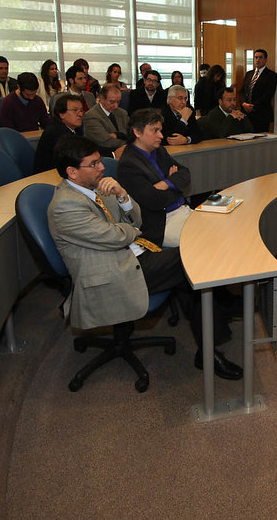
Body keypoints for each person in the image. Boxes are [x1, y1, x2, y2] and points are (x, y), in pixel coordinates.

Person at [48, 135, 241, 380]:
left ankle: (211, 339)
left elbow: (136, 219)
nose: (102, 167)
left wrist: (122, 195)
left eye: (100, 161)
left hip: (134, 253)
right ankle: (213, 338)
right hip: (111, 272)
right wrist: (129, 230)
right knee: (191, 260)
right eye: (94, 164)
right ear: (72, 172)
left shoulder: (96, 186)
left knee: (188, 269)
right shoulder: (65, 205)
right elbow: (118, 236)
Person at [118, 108, 193, 247]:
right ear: (137, 132)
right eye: (155, 130)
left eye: (160, 130)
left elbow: (185, 173)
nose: (161, 136)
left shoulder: (159, 151)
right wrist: (175, 186)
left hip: (182, 210)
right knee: (204, 237)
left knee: (217, 226)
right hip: (161, 224)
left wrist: (166, 183)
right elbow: (154, 200)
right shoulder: (128, 164)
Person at [34, 93, 84, 173]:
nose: (80, 114)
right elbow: (74, 158)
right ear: (61, 114)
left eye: (81, 110)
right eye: (75, 110)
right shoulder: (55, 132)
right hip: (50, 174)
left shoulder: (76, 129)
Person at [83, 83, 129, 159]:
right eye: (112, 102)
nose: (116, 106)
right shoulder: (91, 116)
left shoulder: (122, 113)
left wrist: (118, 135)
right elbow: (106, 141)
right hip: (104, 158)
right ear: (102, 98)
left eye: (118, 102)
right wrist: (131, 144)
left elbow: (132, 134)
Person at [240, 49, 277, 132]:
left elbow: (268, 95)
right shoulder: (249, 74)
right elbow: (242, 91)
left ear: (265, 59)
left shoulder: (271, 75)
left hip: (261, 114)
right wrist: (244, 104)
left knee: (260, 138)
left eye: (260, 57)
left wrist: (252, 106)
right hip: (246, 114)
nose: (257, 60)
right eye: (256, 57)